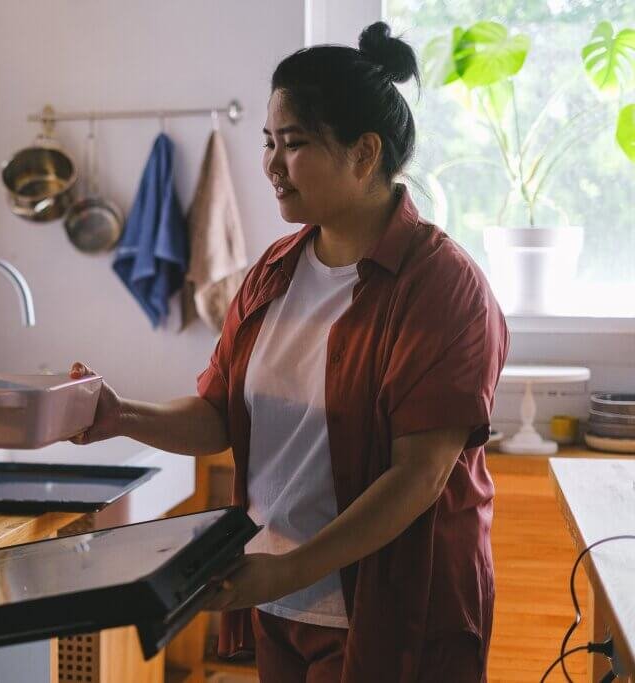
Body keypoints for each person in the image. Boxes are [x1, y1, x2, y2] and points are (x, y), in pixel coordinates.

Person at [69, 21, 508, 683]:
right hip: (279, 598)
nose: (271, 165)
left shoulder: (442, 287)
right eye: (269, 142)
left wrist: (291, 568)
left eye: (294, 144)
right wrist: (119, 414)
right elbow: (219, 413)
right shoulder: (274, 270)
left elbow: (418, 476)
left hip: (393, 610)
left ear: (364, 154)